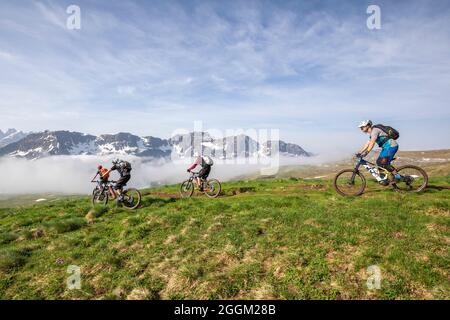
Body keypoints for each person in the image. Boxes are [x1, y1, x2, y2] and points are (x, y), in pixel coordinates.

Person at [356, 120, 402, 185]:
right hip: (386, 148)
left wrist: (366, 152)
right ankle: (384, 179)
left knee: (384, 163)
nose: (361, 129)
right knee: (378, 162)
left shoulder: (375, 130)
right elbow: (367, 143)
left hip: (391, 146)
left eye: (362, 127)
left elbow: (372, 143)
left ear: (368, 125)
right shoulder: (372, 133)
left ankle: (397, 177)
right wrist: (360, 152)